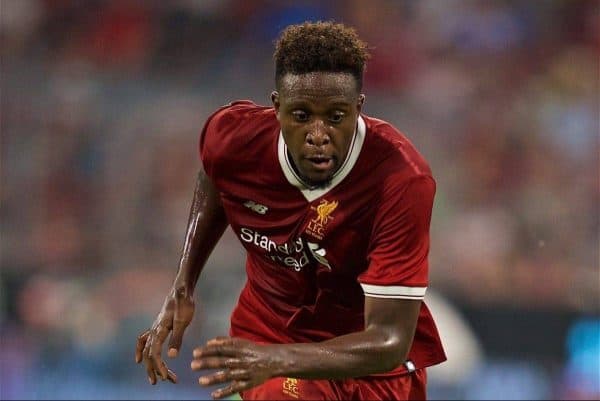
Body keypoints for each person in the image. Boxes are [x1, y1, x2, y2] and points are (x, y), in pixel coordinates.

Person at [135, 21, 446, 400]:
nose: (318, 133)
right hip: (268, 335)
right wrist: (183, 283)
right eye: (301, 116)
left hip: (369, 366)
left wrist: (277, 359)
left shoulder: (400, 180)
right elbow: (213, 175)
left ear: (358, 109)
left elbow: (390, 341)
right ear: (277, 107)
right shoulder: (234, 138)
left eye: (335, 116)